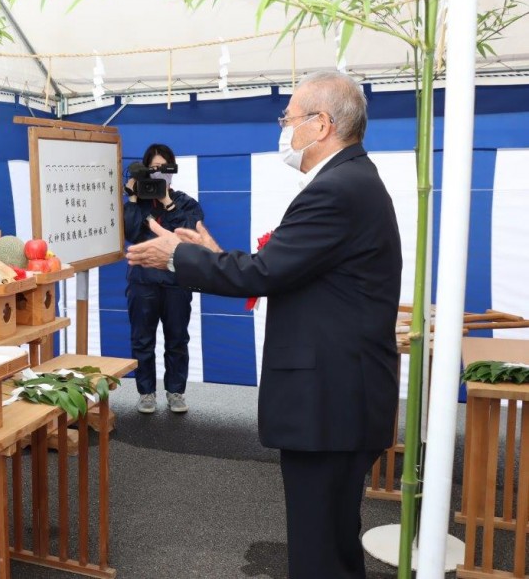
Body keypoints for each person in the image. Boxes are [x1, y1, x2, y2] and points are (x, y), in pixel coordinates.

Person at [126, 71, 402, 579]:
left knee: (320, 550)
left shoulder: (338, 189)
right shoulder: (351, 181)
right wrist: (209, 254)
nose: (284, 129)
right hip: (341, 397)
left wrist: (177, 256)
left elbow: (269, 271)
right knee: (331, 540)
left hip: (330, 401)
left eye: (289, 117)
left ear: (321, 125)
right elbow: (287, 270)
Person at [123, 143, 204, 415]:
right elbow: (131, 233)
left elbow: (188, 232)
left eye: (164, 168)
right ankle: (146, 393)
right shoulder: (139, 202)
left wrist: (168, 202)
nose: (159, 174)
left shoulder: (185, 202)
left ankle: (175, 392)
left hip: (176, 283)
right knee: (142, 340)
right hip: (142, 283)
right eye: (153, 168)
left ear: (172, 171)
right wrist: (133, 198)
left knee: (177, 339)